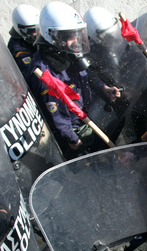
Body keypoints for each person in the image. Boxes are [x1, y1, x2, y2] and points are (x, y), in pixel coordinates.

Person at [26, 2, 120, 159]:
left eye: (76, 34)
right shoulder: (43, 71)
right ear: (53, 36)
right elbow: (54, 111)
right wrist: (72, 139)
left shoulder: (65, 51)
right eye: (69, 35)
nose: (75, 40)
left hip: (86, 115)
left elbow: (86, 74)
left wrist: (103, 88)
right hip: (72, 129)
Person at [7, 4, 40, 78]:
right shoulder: (17, 48)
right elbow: (32, 71)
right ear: (22, 30)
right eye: (33, 30)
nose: (38, 33)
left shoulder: (34, 39)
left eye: (39, 28)